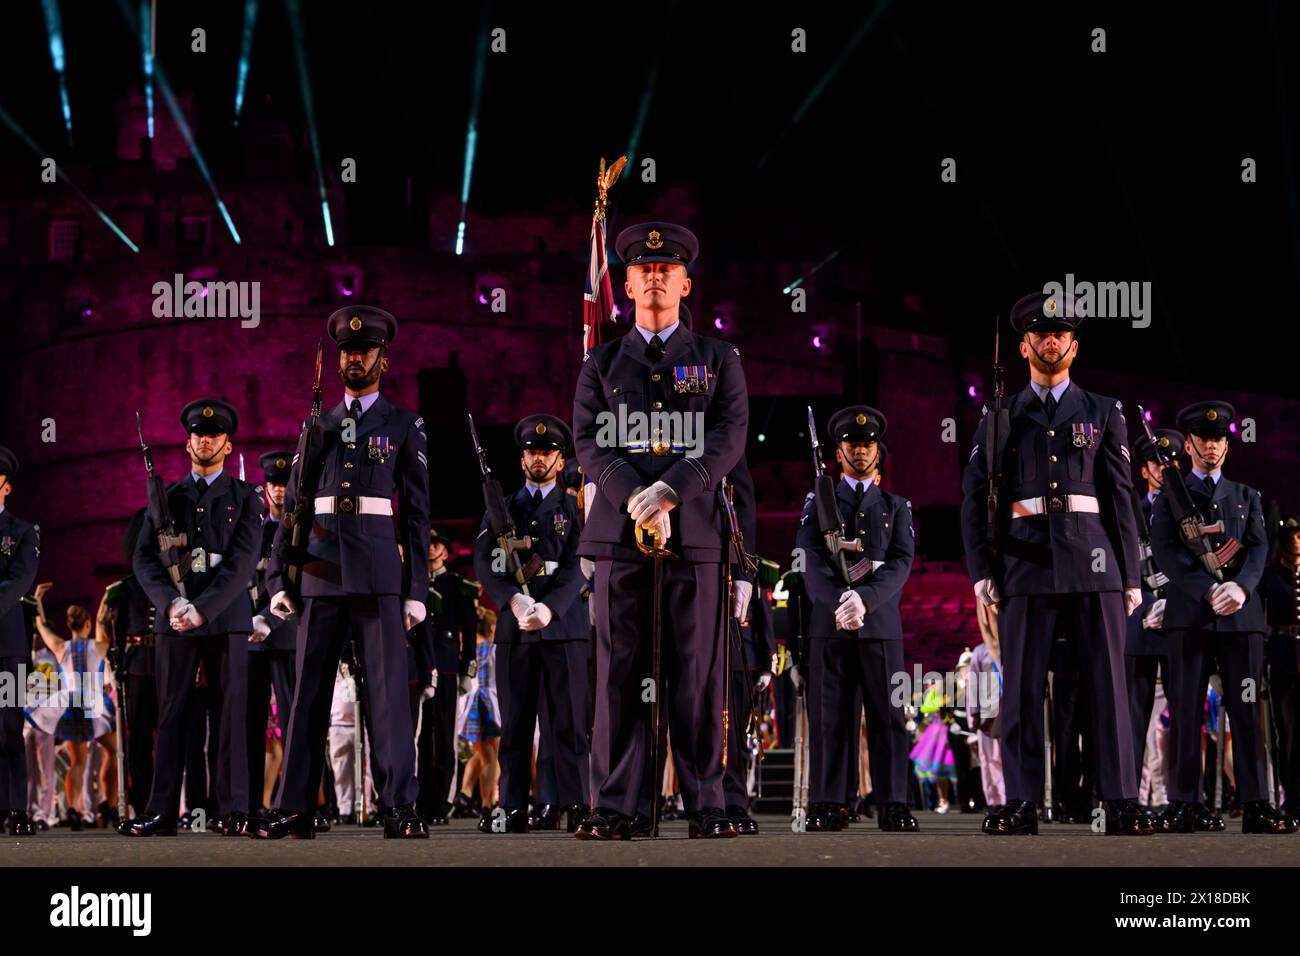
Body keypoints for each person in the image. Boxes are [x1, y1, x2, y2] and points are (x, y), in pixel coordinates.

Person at [573, 221, 748, 840]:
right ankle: (615, 806)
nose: (654, 277)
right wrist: (634, 496)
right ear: (624, 284)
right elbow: (589, 441)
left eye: (665, 270)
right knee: (619, 676)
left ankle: (707, 805)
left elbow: (729, 438)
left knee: (697, 675)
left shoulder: (718, 359)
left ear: (685, 283)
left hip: (695, 534)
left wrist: (672, 490)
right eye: (643, 270)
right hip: (620, 538)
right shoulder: (601, 361)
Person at [960, 292, 1150, 836]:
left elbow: (1121, 497)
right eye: (1041, 333)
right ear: (1024, 346)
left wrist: (1131, 575)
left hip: (1096, 569)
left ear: (1074, 345)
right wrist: (981, 572)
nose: (1051, 341)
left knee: (1109, 687)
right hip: (1023, 565)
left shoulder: (1104, 411)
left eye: (1061, 333)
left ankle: (1119, 801)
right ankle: (1021, 802)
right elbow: (974, 499)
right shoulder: (999, 417)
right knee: (1020, 689)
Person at [254, 306, 430, 840]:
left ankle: (398, 807)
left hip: (378, 574)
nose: (355, 358)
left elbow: (418, 514)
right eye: (347, 352)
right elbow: (296, 508)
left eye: (365, 351)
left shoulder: (405, 425)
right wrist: (278, 578)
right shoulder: (318, 425)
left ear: (384, 358)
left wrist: (416, 589)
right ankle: (296, 807)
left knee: (387, 698)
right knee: (307, 695)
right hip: (320, 573)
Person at [1149, 400, 1295, 834]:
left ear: (1227, 447)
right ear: (1189, 444)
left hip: (1240, 618)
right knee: (1185, 711)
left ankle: (1255, 804)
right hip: (1190, 616)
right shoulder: (1171, 499)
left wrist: (1242, 586)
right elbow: (1167, 552)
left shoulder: (1246, 496)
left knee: (1246, 712)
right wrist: (1208, 588)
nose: (1211, 446)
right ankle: (1184, 803)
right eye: (1204, 439)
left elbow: (1259, 548)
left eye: (1219, 440)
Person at [124, 399, 263, 837]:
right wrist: (170, 603)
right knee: (171, 715)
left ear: (227, 445)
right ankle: (161, 812)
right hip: (175, 619)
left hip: (224, 618)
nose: (205, 440)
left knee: (230, 717)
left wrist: (201, 608)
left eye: (214, 435)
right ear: (188, 444)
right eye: (198, 435)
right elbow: (144, 559)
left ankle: (233, 810)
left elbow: (243, 562)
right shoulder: (168, 498)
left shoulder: (246, 497)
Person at [797, 406, 917, 833]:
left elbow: (902, 563)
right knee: (831, 717)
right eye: (852, 443)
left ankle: (893, 802)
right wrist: (838, 600)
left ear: (878, 452)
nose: (860, 450)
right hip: (830, 625)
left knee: (889, 716)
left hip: (879, 623)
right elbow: (808, 559)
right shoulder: (818, 500)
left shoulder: (896, 505)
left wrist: (863, 599)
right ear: (839, 450)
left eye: (867, 444)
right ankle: (829, 802)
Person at [473, 414, 590, 834]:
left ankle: (575, 805)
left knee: (570, 723)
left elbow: (581, 564)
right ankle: (512, 807)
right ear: (522, 458)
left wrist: (551, 607)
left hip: (564, 627)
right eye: (531, 452)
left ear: (561, 461)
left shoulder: (572, 509)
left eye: (547, 452)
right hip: (515, 628)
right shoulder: (502, 507)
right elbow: (485, 561)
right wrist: (514, 598)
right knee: (517, 724)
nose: (538, 458)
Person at [1124, 428, 1184, 822]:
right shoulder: (1129, 508)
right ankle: (1126, 798)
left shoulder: (1192, 506)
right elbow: (1114, 561)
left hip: (1181, 621)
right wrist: (1146, 603)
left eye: (1172, 463)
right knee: (1133, 715)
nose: (1165, 470)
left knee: (1183, 714)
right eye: (1157, 464)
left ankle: (1182, 800)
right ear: (1144, 470)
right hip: (1140, 621)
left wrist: (1175, 604)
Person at [33, 584, 114, 829]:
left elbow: (41, 627)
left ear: (70, 626)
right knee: (115, 750)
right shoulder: (97, 647)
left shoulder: (61, 647)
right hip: (93, 706)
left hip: (71, 704)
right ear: (86, 624)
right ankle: (108, 805)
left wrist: (38, 601)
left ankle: (73, 808)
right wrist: (106, 597)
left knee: (77, 762)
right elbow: (102, 621)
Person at [246, 451, 299, 817]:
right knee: (250, 723)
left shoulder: (300, 530)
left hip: (284, 634)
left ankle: (297, 802)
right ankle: (249, 804)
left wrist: (267, 618)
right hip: (250, 639)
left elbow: (295, 583)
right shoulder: (253, 529)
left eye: (284, 485)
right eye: (273, 485)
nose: (279, 492)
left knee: (294, 721)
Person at [415, 531, 477, 825]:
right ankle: (423, 798)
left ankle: (442, 800)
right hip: (422, 665)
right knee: (422, 735)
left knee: (445, 734)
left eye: (436, 545)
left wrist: (468, 668)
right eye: (427, 544)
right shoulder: (414, 582)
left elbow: (469, 629)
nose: (430, 549)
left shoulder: (455, 584)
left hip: (448, 662)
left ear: (445, 552)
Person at [0, 446, 40, 836]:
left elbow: (20, 581)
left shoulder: (22, 531)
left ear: (6, 487)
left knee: (9, 728)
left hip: (8, 647)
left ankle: (17, 809)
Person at [1260, 513, 1300, 825]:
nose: (1296, 539)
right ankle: (1292, 795)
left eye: (1299, 534)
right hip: (1283, 655)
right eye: (1291, 535)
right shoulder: (1271, 575)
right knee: (1285, 732)